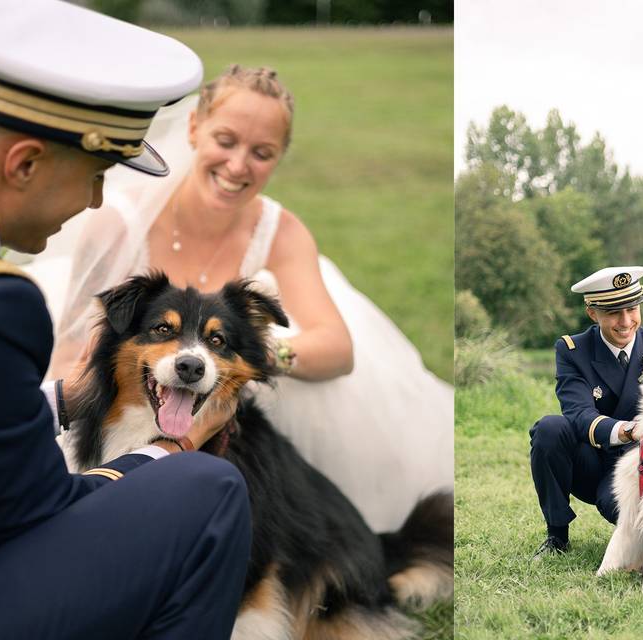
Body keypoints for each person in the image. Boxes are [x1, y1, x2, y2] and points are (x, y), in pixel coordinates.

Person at [32, 64, 453, 533]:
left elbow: (338, 348)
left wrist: (246, 355)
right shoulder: (116, 223)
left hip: (241, 407)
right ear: (194, 128)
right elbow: (72, 349)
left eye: (262, 152)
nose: (238, 166)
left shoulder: (282, 231)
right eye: (226, 141)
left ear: (279, 157)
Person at [0, 2, 252, 639]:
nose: (97, 200)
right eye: (97, 173)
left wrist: (64, 400)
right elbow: (34, 512)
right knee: (209, 490)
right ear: (24, 163)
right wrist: (168, 449)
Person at [529, 266, 643, 557]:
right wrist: (626, 430)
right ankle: (557, 536)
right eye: (614, 312)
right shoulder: (573, 350)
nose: (625, 321)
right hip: (591, 460)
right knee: (549, 428)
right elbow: (577, 413)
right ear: (592, 313)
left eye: (632, 309)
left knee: (618, 510)